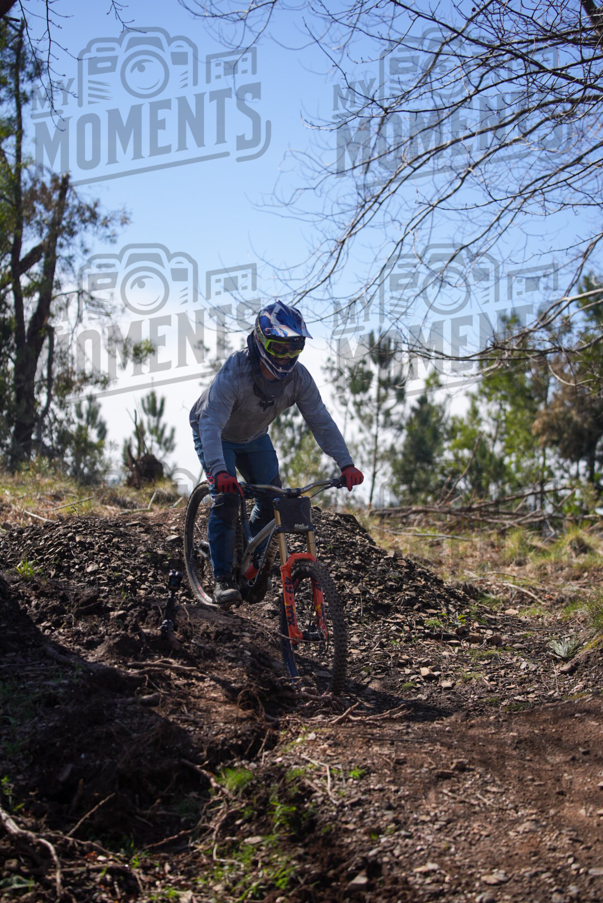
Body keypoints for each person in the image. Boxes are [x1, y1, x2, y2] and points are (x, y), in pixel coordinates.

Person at [189, 300, 364, 607]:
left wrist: (346, 463)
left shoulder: (299, 379)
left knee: (275, 501)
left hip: (255, 437)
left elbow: (321, 421)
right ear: (259, 340)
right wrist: (219, 470)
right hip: (215, 433)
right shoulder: (235, 372)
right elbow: (212, 422)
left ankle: (247, 557)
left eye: (293, 347)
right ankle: (222, 579)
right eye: (277, 347)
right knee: (227, 499)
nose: (285, 356)